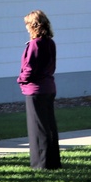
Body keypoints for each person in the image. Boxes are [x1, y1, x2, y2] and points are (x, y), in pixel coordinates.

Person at [18, 10, 61, 170]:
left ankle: (40, 163)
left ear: (33, 25)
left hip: (35, 89)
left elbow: (29, 67)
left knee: (37, 128)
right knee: (49, 126)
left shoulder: (36, 44)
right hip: (49, 87)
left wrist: (21, 79)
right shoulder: (50, 42)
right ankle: (52, 161)